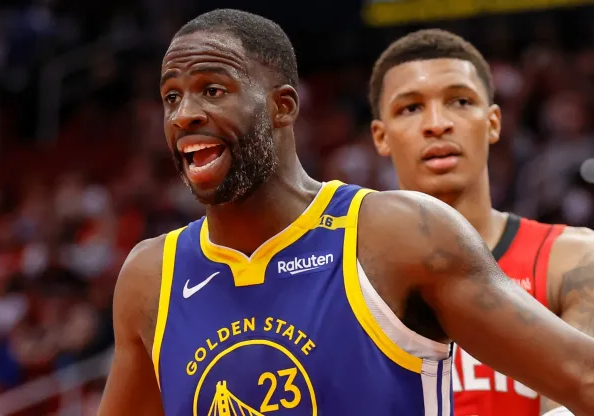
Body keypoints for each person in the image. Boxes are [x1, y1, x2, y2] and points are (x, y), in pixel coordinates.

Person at [98, 9, 594, 416]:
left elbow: (583, 378)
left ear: (282, 107)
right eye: (170, 97)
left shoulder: (397, 236)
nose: (183, 114)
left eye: (212, 89)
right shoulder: (150, 277)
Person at [368, 29, 594, 416]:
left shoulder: (571, 258)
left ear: (492, 122)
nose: (437, 124)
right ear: (381, 136)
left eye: (460, 101)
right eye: (410, 108)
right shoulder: (342, 275)